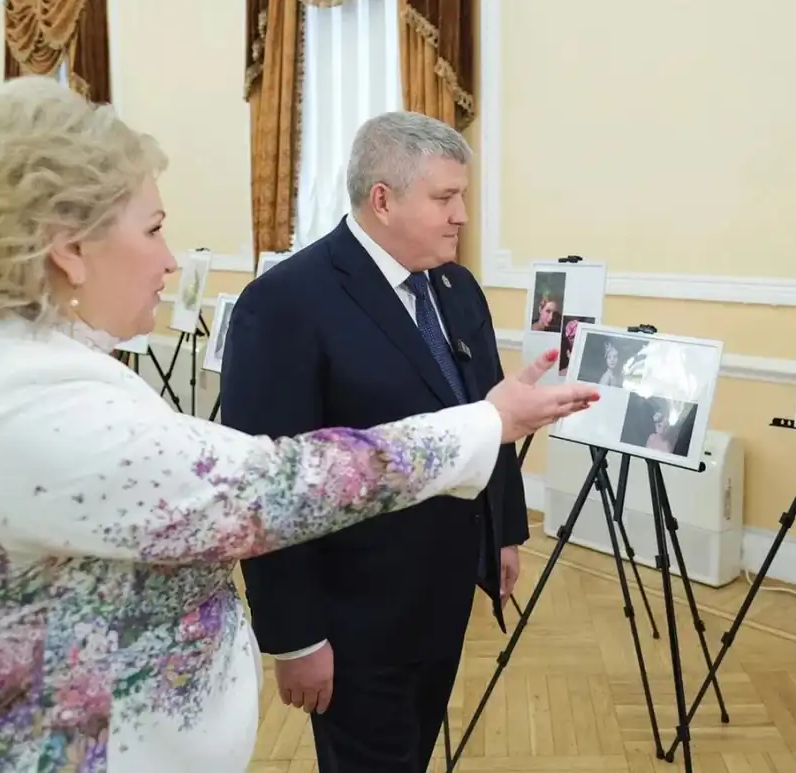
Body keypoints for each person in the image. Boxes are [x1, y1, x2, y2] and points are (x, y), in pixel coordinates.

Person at [0, 77, 599, 773]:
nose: (172, 258)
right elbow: (276, 485)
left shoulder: (44, 363)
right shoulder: (27, 404)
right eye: (153, 228)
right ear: (68, 249)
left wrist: (497, 522)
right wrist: (487, 423)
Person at [218, 111, 553, 772]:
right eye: (444, 198)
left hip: (444, 595)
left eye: (463, 196)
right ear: (382, 199)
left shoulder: (457, 288)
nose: (461, 215)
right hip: (351, 620)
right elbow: (267, 488)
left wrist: (502, 531)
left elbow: (489, 412)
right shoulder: (285, 302)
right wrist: (295, 636)